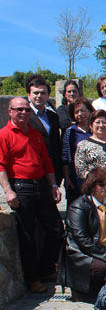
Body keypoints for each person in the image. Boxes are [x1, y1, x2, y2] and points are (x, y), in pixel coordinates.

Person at [0, 97, 64, 293]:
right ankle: (32, 279)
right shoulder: (4, 134)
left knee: (56, 230)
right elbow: (1, 165)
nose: (23, 113)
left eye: (27, 110)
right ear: (10, 111)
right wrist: (8, 191)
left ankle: (46, 269)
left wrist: (53, 185)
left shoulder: (35, 134)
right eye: (18, 109)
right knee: (27, 237)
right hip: (21, 188)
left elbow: (46, 162)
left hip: (41, 186)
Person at [61, 167, 106, 301]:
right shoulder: (79, 206)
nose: (105, 188)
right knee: (103, 268)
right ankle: (90, 291)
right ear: (92, 186)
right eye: (101, 185)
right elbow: (82, 239)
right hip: (84, 253)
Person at [27, 75, 63, 183]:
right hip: (31, 172)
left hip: (51, 171)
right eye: (35, 93)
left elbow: (56, 144)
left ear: (48, 96)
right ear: (29, 95)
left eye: (43, 93)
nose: (39, 96)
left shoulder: (54, 117)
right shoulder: (24, 115)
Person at [62, 97, 94, 203]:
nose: (80, 114)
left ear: (90, 111)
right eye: (76, 112)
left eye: (83, 110)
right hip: (76, 179)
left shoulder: (97, 130)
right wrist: (67, 178)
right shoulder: (70, 132)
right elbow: (65, 157)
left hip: (95, 178)